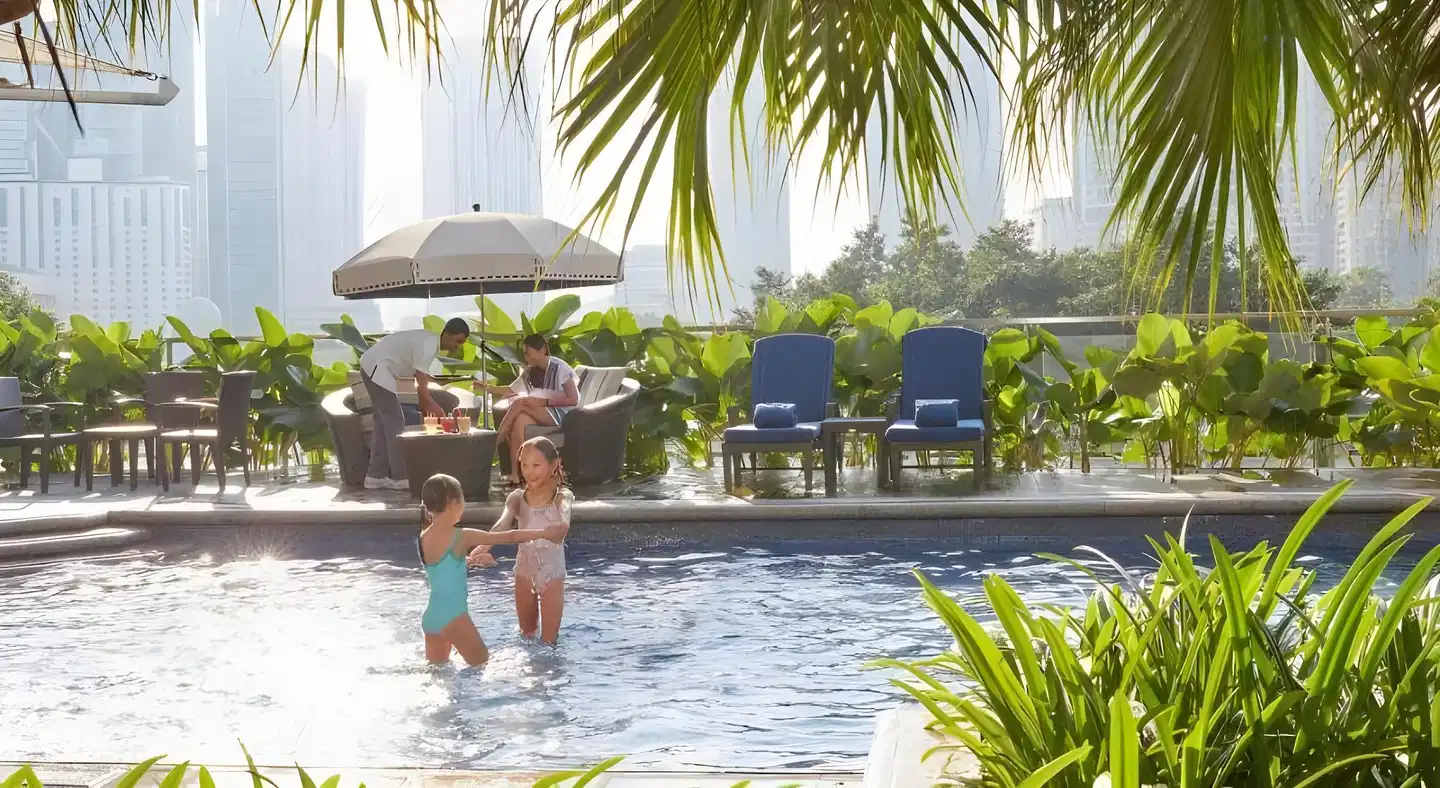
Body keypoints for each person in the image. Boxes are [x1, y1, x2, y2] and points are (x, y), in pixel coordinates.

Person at [416, 473, 566, 666]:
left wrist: (469, 561)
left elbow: (440, 568)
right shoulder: (461, 536)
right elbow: (509, 536)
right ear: (453, 502)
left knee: (439, 675)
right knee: (483, 667)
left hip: (431, 618)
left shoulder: (423, 536)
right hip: (453, 617)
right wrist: (544, 534)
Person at [468, 437, 571, 645]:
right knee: (527, 635)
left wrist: (559, 527)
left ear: (554, 465)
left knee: (549, 642)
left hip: (553, 573)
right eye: (524, 465)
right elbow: (502, 524)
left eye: (536, 465)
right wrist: (481, 547)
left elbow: (564, 522)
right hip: (524, 570)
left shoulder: (562, 496)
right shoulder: (516, 498)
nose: (529, 471)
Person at [359, 319, 470, 490]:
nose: (459, 346)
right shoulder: (428, 345)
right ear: (446, 334)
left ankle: (375, 476)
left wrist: (431, 403)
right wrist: (436, 409)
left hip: (373, 367)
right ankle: (400, 477)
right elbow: (422, 389)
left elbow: (421, 376)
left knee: (383, 424)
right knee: (395, 422)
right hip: (376, 369)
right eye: (458, 341)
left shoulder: (430, 342)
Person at [475, 334, 580, 486]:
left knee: (521, 403)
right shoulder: (531, 371)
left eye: (526, 352)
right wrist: (488, 387)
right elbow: (511, 389)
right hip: (541, 412)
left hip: (562, 415)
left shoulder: (560, 368)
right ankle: (516, 475)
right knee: (519, 422)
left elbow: (573, 399)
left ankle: (495, 441)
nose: (525, 356)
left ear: (541, 350)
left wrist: (545, 402)